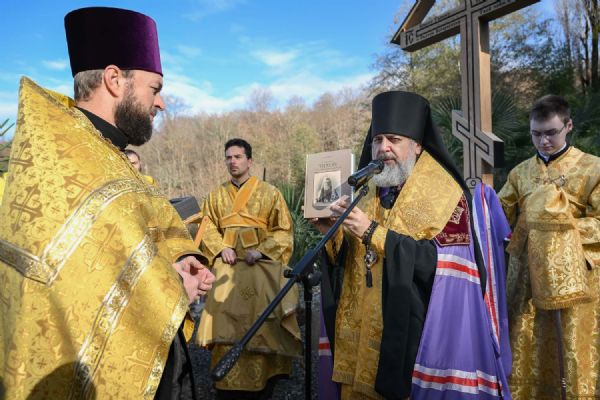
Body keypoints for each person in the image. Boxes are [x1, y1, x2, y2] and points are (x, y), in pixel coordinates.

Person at [0, 7, 215, 399]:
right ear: (115, 80)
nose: (161, 103)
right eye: (154, 88)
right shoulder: (65, 161)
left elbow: (140, 233)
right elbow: (73, 285)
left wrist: (182, 257)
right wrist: (173, 287)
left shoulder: (105, 153)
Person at [314, 91, 512, 399]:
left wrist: (373, 232)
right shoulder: (364, 189)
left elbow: (443, 268)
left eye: (394, 139)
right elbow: (349, 260)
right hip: (357, 334)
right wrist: (332, 236)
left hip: (410, 337)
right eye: (377, 140)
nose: (383, 148)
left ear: (417, 145)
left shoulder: (446, 194)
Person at [498, 95, 600, 398]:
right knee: (527, 344)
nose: (543, 141)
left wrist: (556, 229)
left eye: (551, 133)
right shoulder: (519, 173)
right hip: (526, 279)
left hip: (574, 278)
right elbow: (499, 217)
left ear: (568, 126)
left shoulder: (593, 168)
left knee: (570, 348)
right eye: (536, 134)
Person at [196, 138, 301, 399]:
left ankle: (264, 379)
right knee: (224, 321)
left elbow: (283, 230)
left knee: (262, 319)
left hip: (259, 267)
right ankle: (226, 379)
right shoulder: (215, 195)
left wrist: (262, 249)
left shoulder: (270, 192)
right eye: (228, 157)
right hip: (228, 267)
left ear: (249, 161)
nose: (232, 162)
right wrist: (220, 247)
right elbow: (205, 227)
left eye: (238, 157)